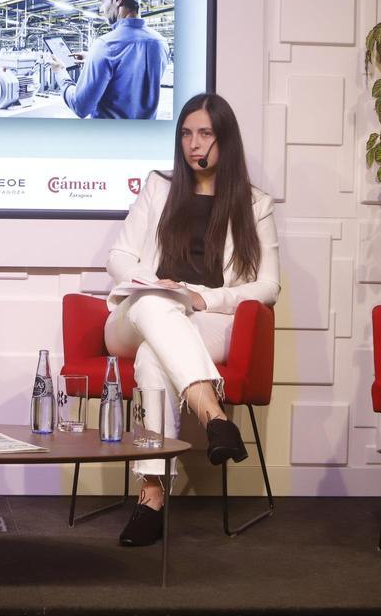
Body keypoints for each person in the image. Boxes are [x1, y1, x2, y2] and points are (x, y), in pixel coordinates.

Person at [103, 92, 280, 546]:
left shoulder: (254, 204)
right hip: (135, 314)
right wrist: (155, 284)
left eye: (204, 134)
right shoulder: (158, 187)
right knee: (153, 305)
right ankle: (214, 417)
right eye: (185, 133)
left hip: (202, 319)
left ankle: (150, 498)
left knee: (153, 356)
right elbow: (119, 256)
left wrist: (204, 297)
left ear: (226, 140)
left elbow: (268, 286)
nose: (193, 144)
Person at [55, 0, 170, 119]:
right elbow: (132, 77)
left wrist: (60, 73)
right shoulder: (160, 42)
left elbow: (80, 106)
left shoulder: (105, 45)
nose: (102, 9)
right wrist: (94, 59)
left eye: (103, 2)